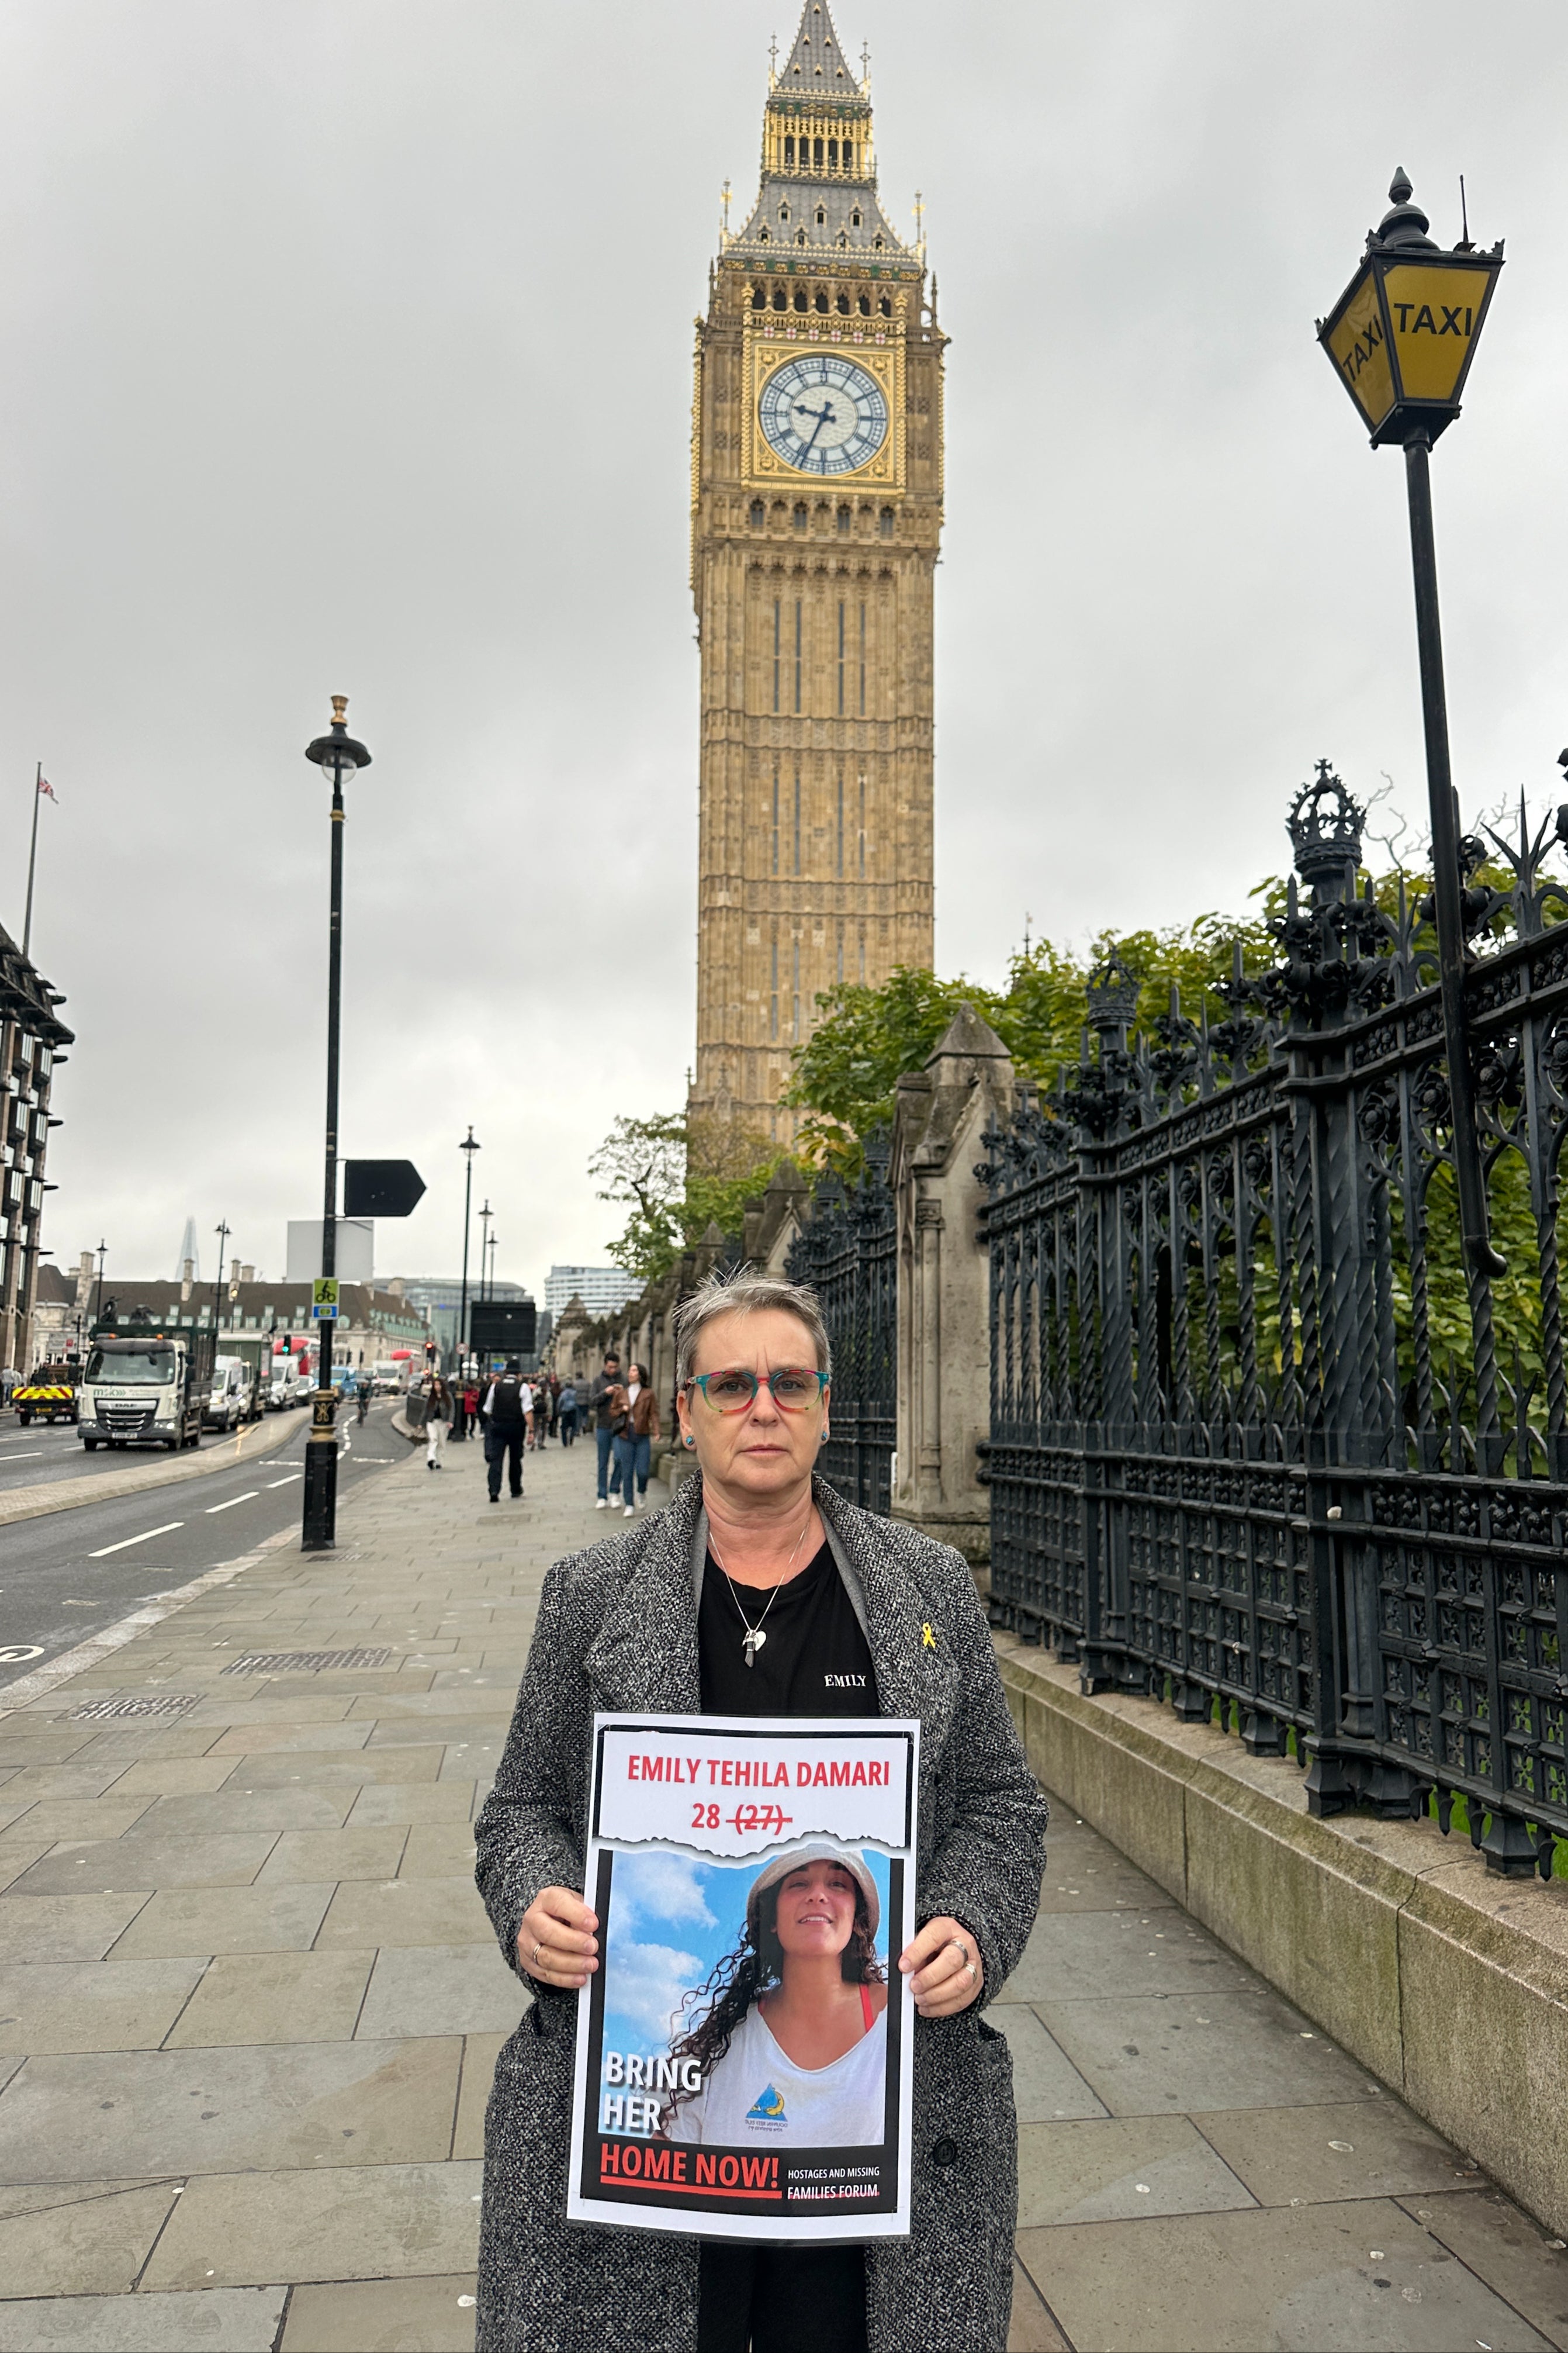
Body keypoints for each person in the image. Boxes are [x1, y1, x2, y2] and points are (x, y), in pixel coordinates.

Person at [475, 1272, 1048, 2353]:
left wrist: (971, 1926)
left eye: (790, 1382)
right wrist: (533, 1905)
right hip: (650, 2141)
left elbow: (1001, 1807)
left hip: (870, 2141)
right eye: (731, 1385)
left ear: (827, 1405)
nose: (763, 1408)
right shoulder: (589, 1594)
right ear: (683, 1412)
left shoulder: (926, 1587)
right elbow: (520, 1810)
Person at [663, 1843, 888, 2148]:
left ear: (857, 1918)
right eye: (799, 1883)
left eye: (837, 1884)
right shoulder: (716, 2048)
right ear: (771, 1917)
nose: (818, 1895)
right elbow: (663, 2174)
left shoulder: (901, 2015)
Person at [609, 1360, 660, 1518]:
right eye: (630, 1371)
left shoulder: (648, 1393)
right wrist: (622, 1409)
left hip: (642, 1434)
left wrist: (657, 1430)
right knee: (627, 1471)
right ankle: (629, 1504)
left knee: (643, 1471)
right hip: (625, 1434)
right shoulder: (621, 1393)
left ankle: (642, 1492)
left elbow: (653, 1413)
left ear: (640, 1374)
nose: (630, 1373)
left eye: (634, 1371)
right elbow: (612, 1411)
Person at [482, 1359, 529, 1504]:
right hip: (516, 1428)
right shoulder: (523, 1387)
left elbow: (487, 1409)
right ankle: (515, 1489)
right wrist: (532, 1430)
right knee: (515, 1459)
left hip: (498, 1427)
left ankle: (494, 1490)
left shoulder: (496, 1387)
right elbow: (527, 1410)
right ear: (519, 1374)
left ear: (506, 1373)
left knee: (496, 1460)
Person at [586, 1352, 623, 1510]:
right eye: (610, 1367)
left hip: (619, 1426)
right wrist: (606, 1393)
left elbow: (631, 1400)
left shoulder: (624, 1380)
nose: (612, 1370)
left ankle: (614, 1491)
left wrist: (621, 1393)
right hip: (603, 1425)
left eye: (615, 1367)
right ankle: (602, 1495)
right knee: (603, 1462)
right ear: (605, 1365)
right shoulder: (598, 1381)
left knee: (619, 1459)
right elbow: (592, 1401)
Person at [423, 1373, 452, 1470]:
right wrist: (420, 1423)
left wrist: (450, 1421)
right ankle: (431, 1458)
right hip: (432, 1421)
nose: (437, 1387)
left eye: (439, 1385)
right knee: (433, 1439)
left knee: (442, 1442)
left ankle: (440, 1461)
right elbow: (425, 1410)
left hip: (443, 1422)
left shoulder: (447, 1396)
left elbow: (452, 1409)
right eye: (435, 1385)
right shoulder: (431, 1397)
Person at [556, 1380, 579, 1447]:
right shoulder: (575, 1393)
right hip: (573, 1411)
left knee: (564, 1428)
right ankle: (571, 1436)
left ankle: (565, 1442)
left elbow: (560, 1402)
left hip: (565, 1411)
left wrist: (559, 1410)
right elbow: (577, 1401)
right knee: (574, 1426)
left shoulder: (563, 1394)